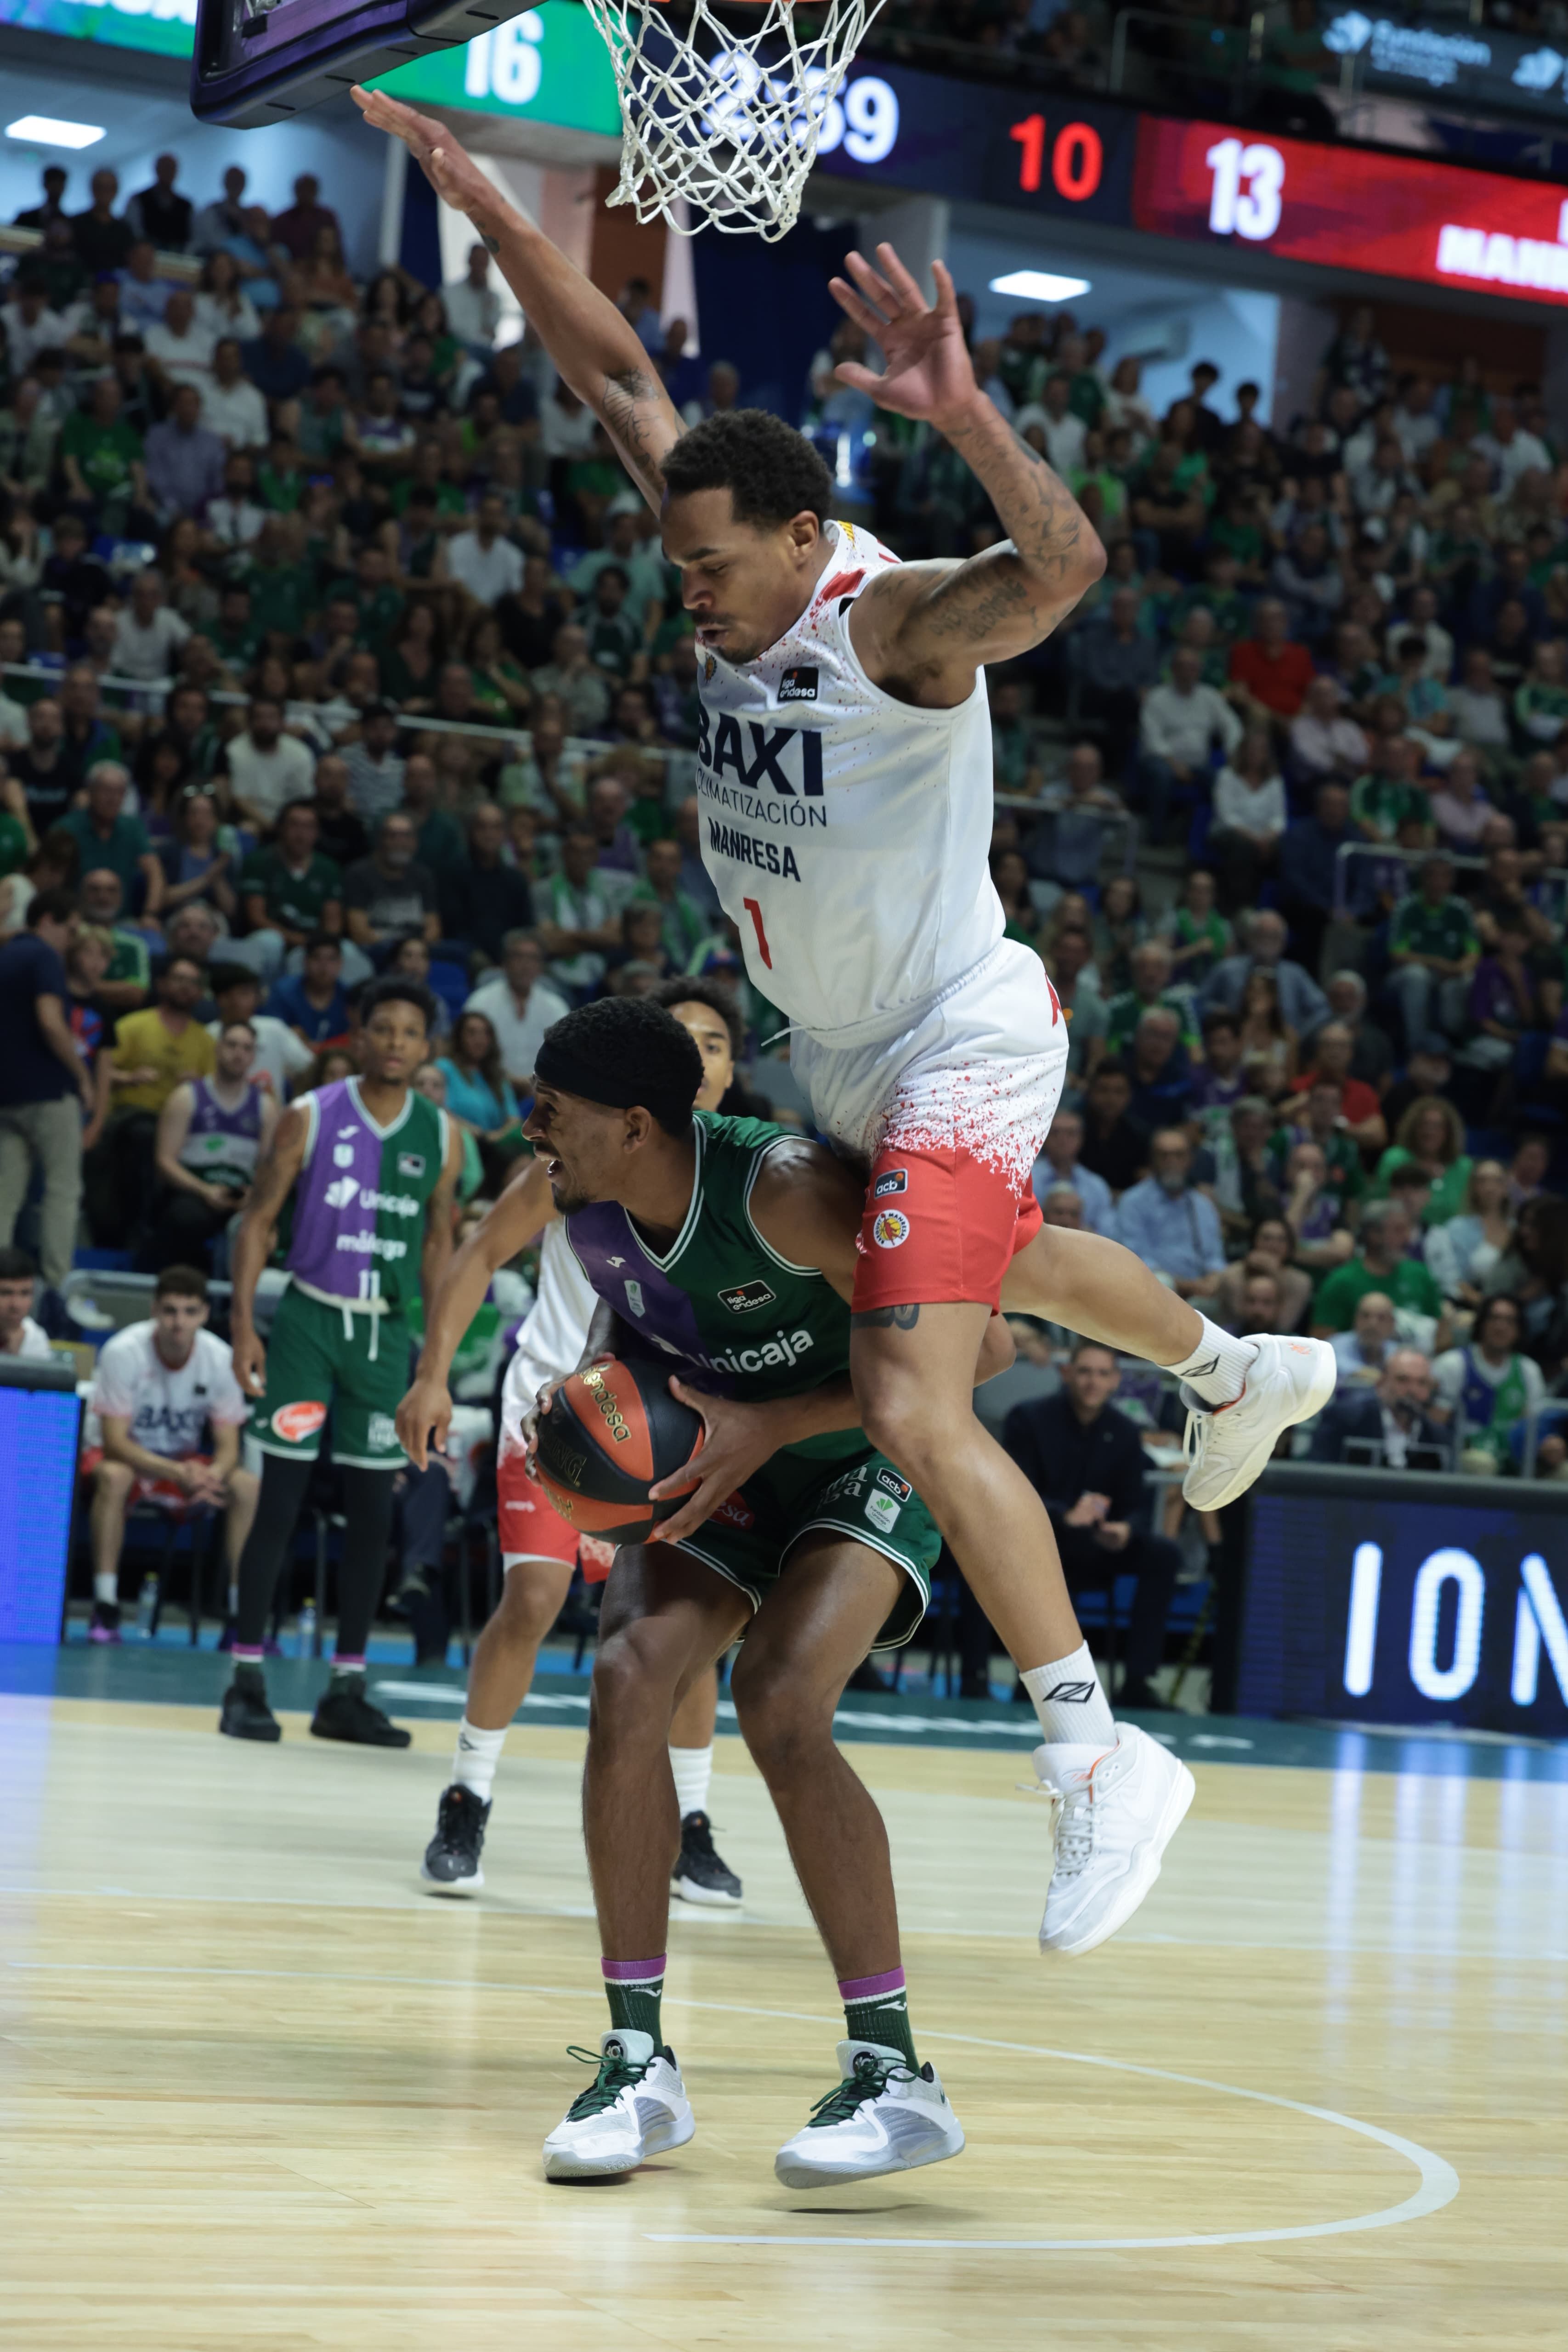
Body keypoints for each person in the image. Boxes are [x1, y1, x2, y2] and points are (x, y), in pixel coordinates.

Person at [356, 83, 1328, 1945]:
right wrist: (484, 196)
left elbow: (1063, 571)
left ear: (805, 535)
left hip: (959, 1031)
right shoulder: (731, 571)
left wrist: (963, 414)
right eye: (677, 562)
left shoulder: (891, 626)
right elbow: (613, 371)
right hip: (840, 1048)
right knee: (1001, 1262)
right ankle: (1234, 1368)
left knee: (905, 1388)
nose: (686, 591)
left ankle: (1097, 1759)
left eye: (713, 565)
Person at [408, 995, 969, 2181]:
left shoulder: (786, 1192)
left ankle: (894, 2074)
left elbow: (980, 1352)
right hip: (717, 1470)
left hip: (858, 1459)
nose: (529, 1128)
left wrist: (773, 1422)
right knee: (626, 1674)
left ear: (634, 1124)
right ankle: (636, 2065)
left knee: (778, 1699)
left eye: (551, 1109)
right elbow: (629, 1328)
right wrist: (591, 1412)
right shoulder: (580, 1200)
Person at [404, 995, 754, 1903]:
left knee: (684, 1635)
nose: (697, 1056)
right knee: (532, 1598)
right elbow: (478, 1252)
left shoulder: (751, 1180)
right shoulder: (576, 1156)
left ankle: (690, 1825)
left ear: (728, 1072)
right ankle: (466, 1795)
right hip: (555, 1414)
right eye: (681, 1039)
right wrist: (432, 1376)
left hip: (676, 1433)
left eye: (713, 1043)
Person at [217, 975, 464, 1746]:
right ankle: (245, 1680)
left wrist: (435, 1361)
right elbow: (257, 1222)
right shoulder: (310, 1115)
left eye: (409, 1033)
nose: (395, 1042)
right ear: (358, 1037)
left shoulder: (443, 1135)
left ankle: (345, 1691)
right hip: (308, 1324)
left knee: (372, 1517)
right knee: (279, 1503)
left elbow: (440, 1245)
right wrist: (244, 1328)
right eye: (382, 1028)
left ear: (426, 1048)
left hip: (386, 1337)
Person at [83, 1263, 258, 1642]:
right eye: (170, 1311)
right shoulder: (124, 1351)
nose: (179, 1323)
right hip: (126, 1459)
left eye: (190, 1312)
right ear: (154, 1311)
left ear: (205, 1314)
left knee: (246, 1485)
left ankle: (240, 1617)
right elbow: (114, 1442)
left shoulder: (220, 1358)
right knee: (115, 1476)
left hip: (181, 1465)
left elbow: (229, 1446)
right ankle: (105, 1606)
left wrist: (212, 1475)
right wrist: (178, 1473)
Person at [1002, 1341, 1181, 1712]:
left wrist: (1124, 1529)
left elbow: (1135, 1502)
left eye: (1102, 1374)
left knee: (1163, 1555)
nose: (1092, 1382)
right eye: (1084, 1371)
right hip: (1045, 1540)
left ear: (1115, 1381)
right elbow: (1014, 1491)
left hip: (1098, 1542)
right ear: (1066, 1373)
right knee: (1050, 1554)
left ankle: (1137, 1682)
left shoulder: (1125, 1431)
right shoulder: (1029, 1418)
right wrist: (1064, 1516)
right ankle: (1037, 1679)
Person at [0, 889, 93, 1301]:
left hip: (5, 1096)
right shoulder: (44, 957)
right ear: (48, 921)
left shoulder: (5, 956)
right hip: (47, 1091)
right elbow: (52, 1022)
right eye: (70, 930)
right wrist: (82, 1076)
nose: (71, 941)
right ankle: (59, 1289)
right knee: (63, 1190)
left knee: (4, 1196)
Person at [146, 1018, 277, 1271]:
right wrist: (205, 1190)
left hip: (240, 1195)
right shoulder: (186, 1097)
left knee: (265, 1226)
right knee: (186, 1218)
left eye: (247, 1048)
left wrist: (253, 1195)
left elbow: (268, 1168)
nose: (238, 1054)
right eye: (232, 1045)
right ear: (217, 1048)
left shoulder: (266, 1107)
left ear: (253, 1056)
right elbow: (164, 1161)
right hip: (193, 1191)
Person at [1432, 1295, 1547, 1476]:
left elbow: (1534, 1427)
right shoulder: (1452, 1364)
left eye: (1510, 1321)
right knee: (1482, 1464)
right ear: (1481, 1324)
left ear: (1519, 1329)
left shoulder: (1529, 1370)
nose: (1501, 1327)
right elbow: (1435, 1425)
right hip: (1463, 1455)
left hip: (1513, 1456)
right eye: (1494, 1318)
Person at [1310, 1201, 1447, 1343]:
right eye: (1399, 1230)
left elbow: (1443, 1336)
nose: (1408, 1239)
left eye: (1408, 1230)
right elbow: (1322, 1343)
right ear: (1374, 1234)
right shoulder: (1342, 1282)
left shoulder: (1420, 1275)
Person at [1113, 1129, 1225, 1299]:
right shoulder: (1133, 1202)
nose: (1172, 1162)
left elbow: (1215, 1258)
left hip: (1202, 1292)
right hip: (1155, 1290)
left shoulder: (1202, 1205)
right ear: (1152, 1160)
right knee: (1162, 1282)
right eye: (1164, 1156)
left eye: (1179, 1155)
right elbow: (1135, 1259)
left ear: (1190, 1160)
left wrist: (1214, 1279)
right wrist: (1184, 1285)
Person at [462, 929, 571, 1091]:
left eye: (533, 958)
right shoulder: (480, 1003)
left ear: (541, 966)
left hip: (543, 1093)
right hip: (490, 1089)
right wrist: (513, 1083)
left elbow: (565, 1060)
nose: (525, 965)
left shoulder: (556, 1007)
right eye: (518, 957)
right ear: (505, 963)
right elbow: (467, 1057)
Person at [1308, 1347, 1449, 1469]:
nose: (1413, 1390)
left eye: (1422, 1383)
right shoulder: (1345, 1419)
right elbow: (1319, 1472)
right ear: (1381, 1383)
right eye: (1403, 1380)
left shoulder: (1437, 1436)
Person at [1030, 1106, 1112, 1237]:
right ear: (1044, 1137)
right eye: (1056, 1133)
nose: (1063, 1139)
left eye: (1071, 1133)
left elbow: (1108, 1235)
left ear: (1081, 1139)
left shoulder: (1097, 1187)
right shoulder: (1026, 1180)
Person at [265, 931, 351, 1046]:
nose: (324, 967)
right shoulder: (283, 992)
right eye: (316, 958)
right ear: (305, 961)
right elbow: (270, 1035)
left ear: (341, 963)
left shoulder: (349, 997)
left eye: (331, 959)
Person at [1329, 1289, 1397, 1387]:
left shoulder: (1397, 1352)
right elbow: (1335, 1365)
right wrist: (1373, 1375)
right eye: (1366, 1316)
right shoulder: (1335, 1344)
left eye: (1381, 1318)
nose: (1372, 1324)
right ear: (1356, 1319)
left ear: (1392, 1324)